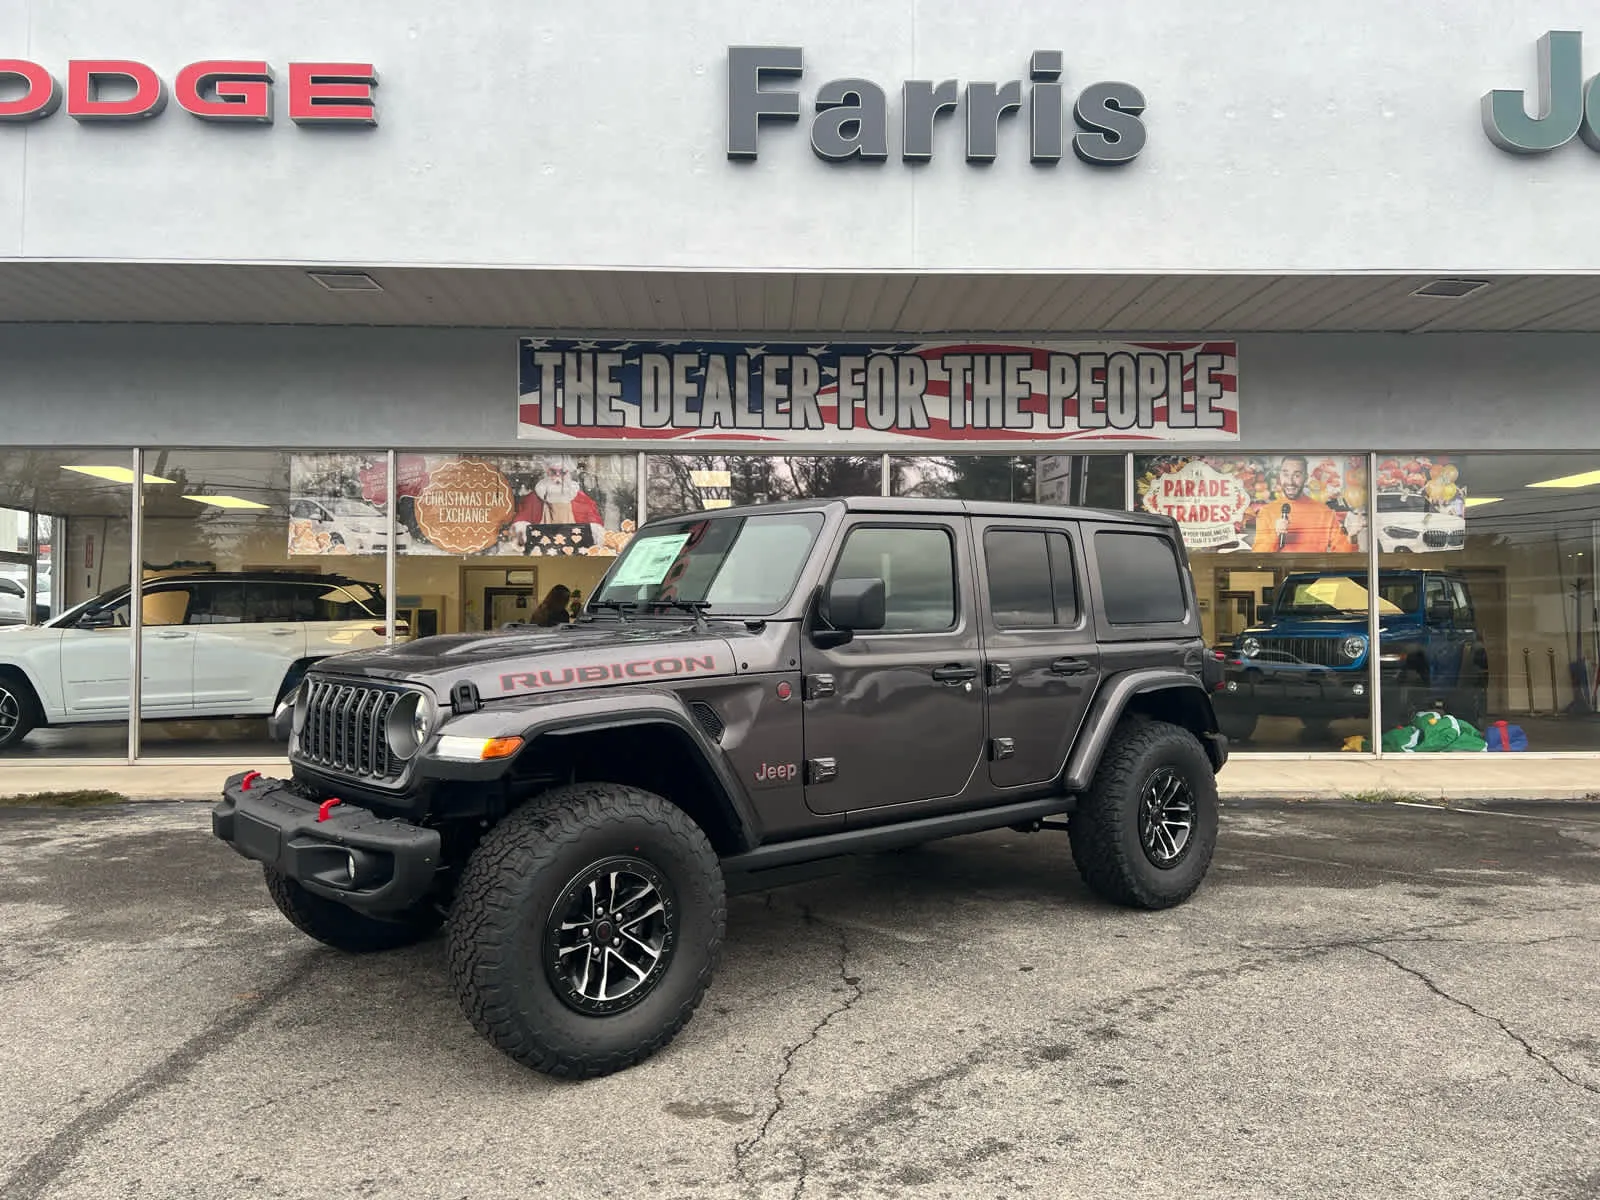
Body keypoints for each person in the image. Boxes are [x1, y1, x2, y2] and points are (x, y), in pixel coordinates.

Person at [1250, 456, 1359, 553]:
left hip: (1313, 574)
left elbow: (1342, 555)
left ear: (1306, 478)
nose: (1290, 481)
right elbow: (1258, 557)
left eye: (1297, 475)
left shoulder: (1324, 512)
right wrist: (1275, 534)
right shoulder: (1267, 511)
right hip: (1278, 575)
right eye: (1286, 474)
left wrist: (1352, 538)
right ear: (1280, 477)